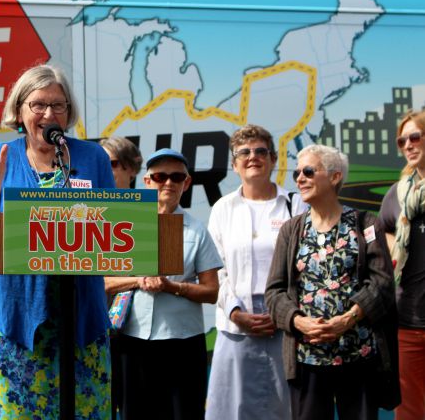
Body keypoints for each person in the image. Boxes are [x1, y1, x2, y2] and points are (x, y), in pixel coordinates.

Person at [0, 64, 115, 418]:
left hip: (80, 319)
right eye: (38, 105)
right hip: (13, 319)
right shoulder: (1, 157)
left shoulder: (92, 157)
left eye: (58, 106)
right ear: (19, 111)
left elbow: (115, 225)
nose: (49, 114)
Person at [266, 144, 399, 420]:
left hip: (359, 357)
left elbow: (382, 284)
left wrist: (347, 319)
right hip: (307, 359)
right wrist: (297, 321)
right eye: (296, 173)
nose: (300, 178)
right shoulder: (292, 231)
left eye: (309, 171)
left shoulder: (366, 224)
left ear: (335, 176)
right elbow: (275, 293)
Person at [105, 147, 222, 420]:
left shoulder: (196, 230)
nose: (168, 183)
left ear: (187, 183)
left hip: (182, 342)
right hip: (132, 338)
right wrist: (138, 280)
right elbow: (102, 283)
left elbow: (212, 292)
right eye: (160, 176)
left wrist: (172, 287)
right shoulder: (124, 225)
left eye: (176, 177)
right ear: (147, 181)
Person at [205, 125, 306, 419]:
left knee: (283, 409)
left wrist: (285, 313)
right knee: (232, 410)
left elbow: (305, 266)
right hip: (236, 326)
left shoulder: (294, 205)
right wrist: (236, 312)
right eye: (244, 153)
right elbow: (216, 269)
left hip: (284, 326)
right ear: (235, 165)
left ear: (273, 160)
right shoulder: (223, 208)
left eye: (261, 151)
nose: (253, 157)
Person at [380, 110, 425, 420]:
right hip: (408, 320)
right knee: (409, 412)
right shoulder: (397, 195)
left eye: (415, 136)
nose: (408, 145)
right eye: (402, 140)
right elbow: (382, 232)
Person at [99, 135, 142, 418]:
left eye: (111, 163)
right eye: (99, 162)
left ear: (131, 169)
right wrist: (137, 279)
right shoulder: (86, 214)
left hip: (140, 330)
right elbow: (95, 281)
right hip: (96, 329)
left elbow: (157, 272)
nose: (104, 169)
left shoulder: (144, 213)